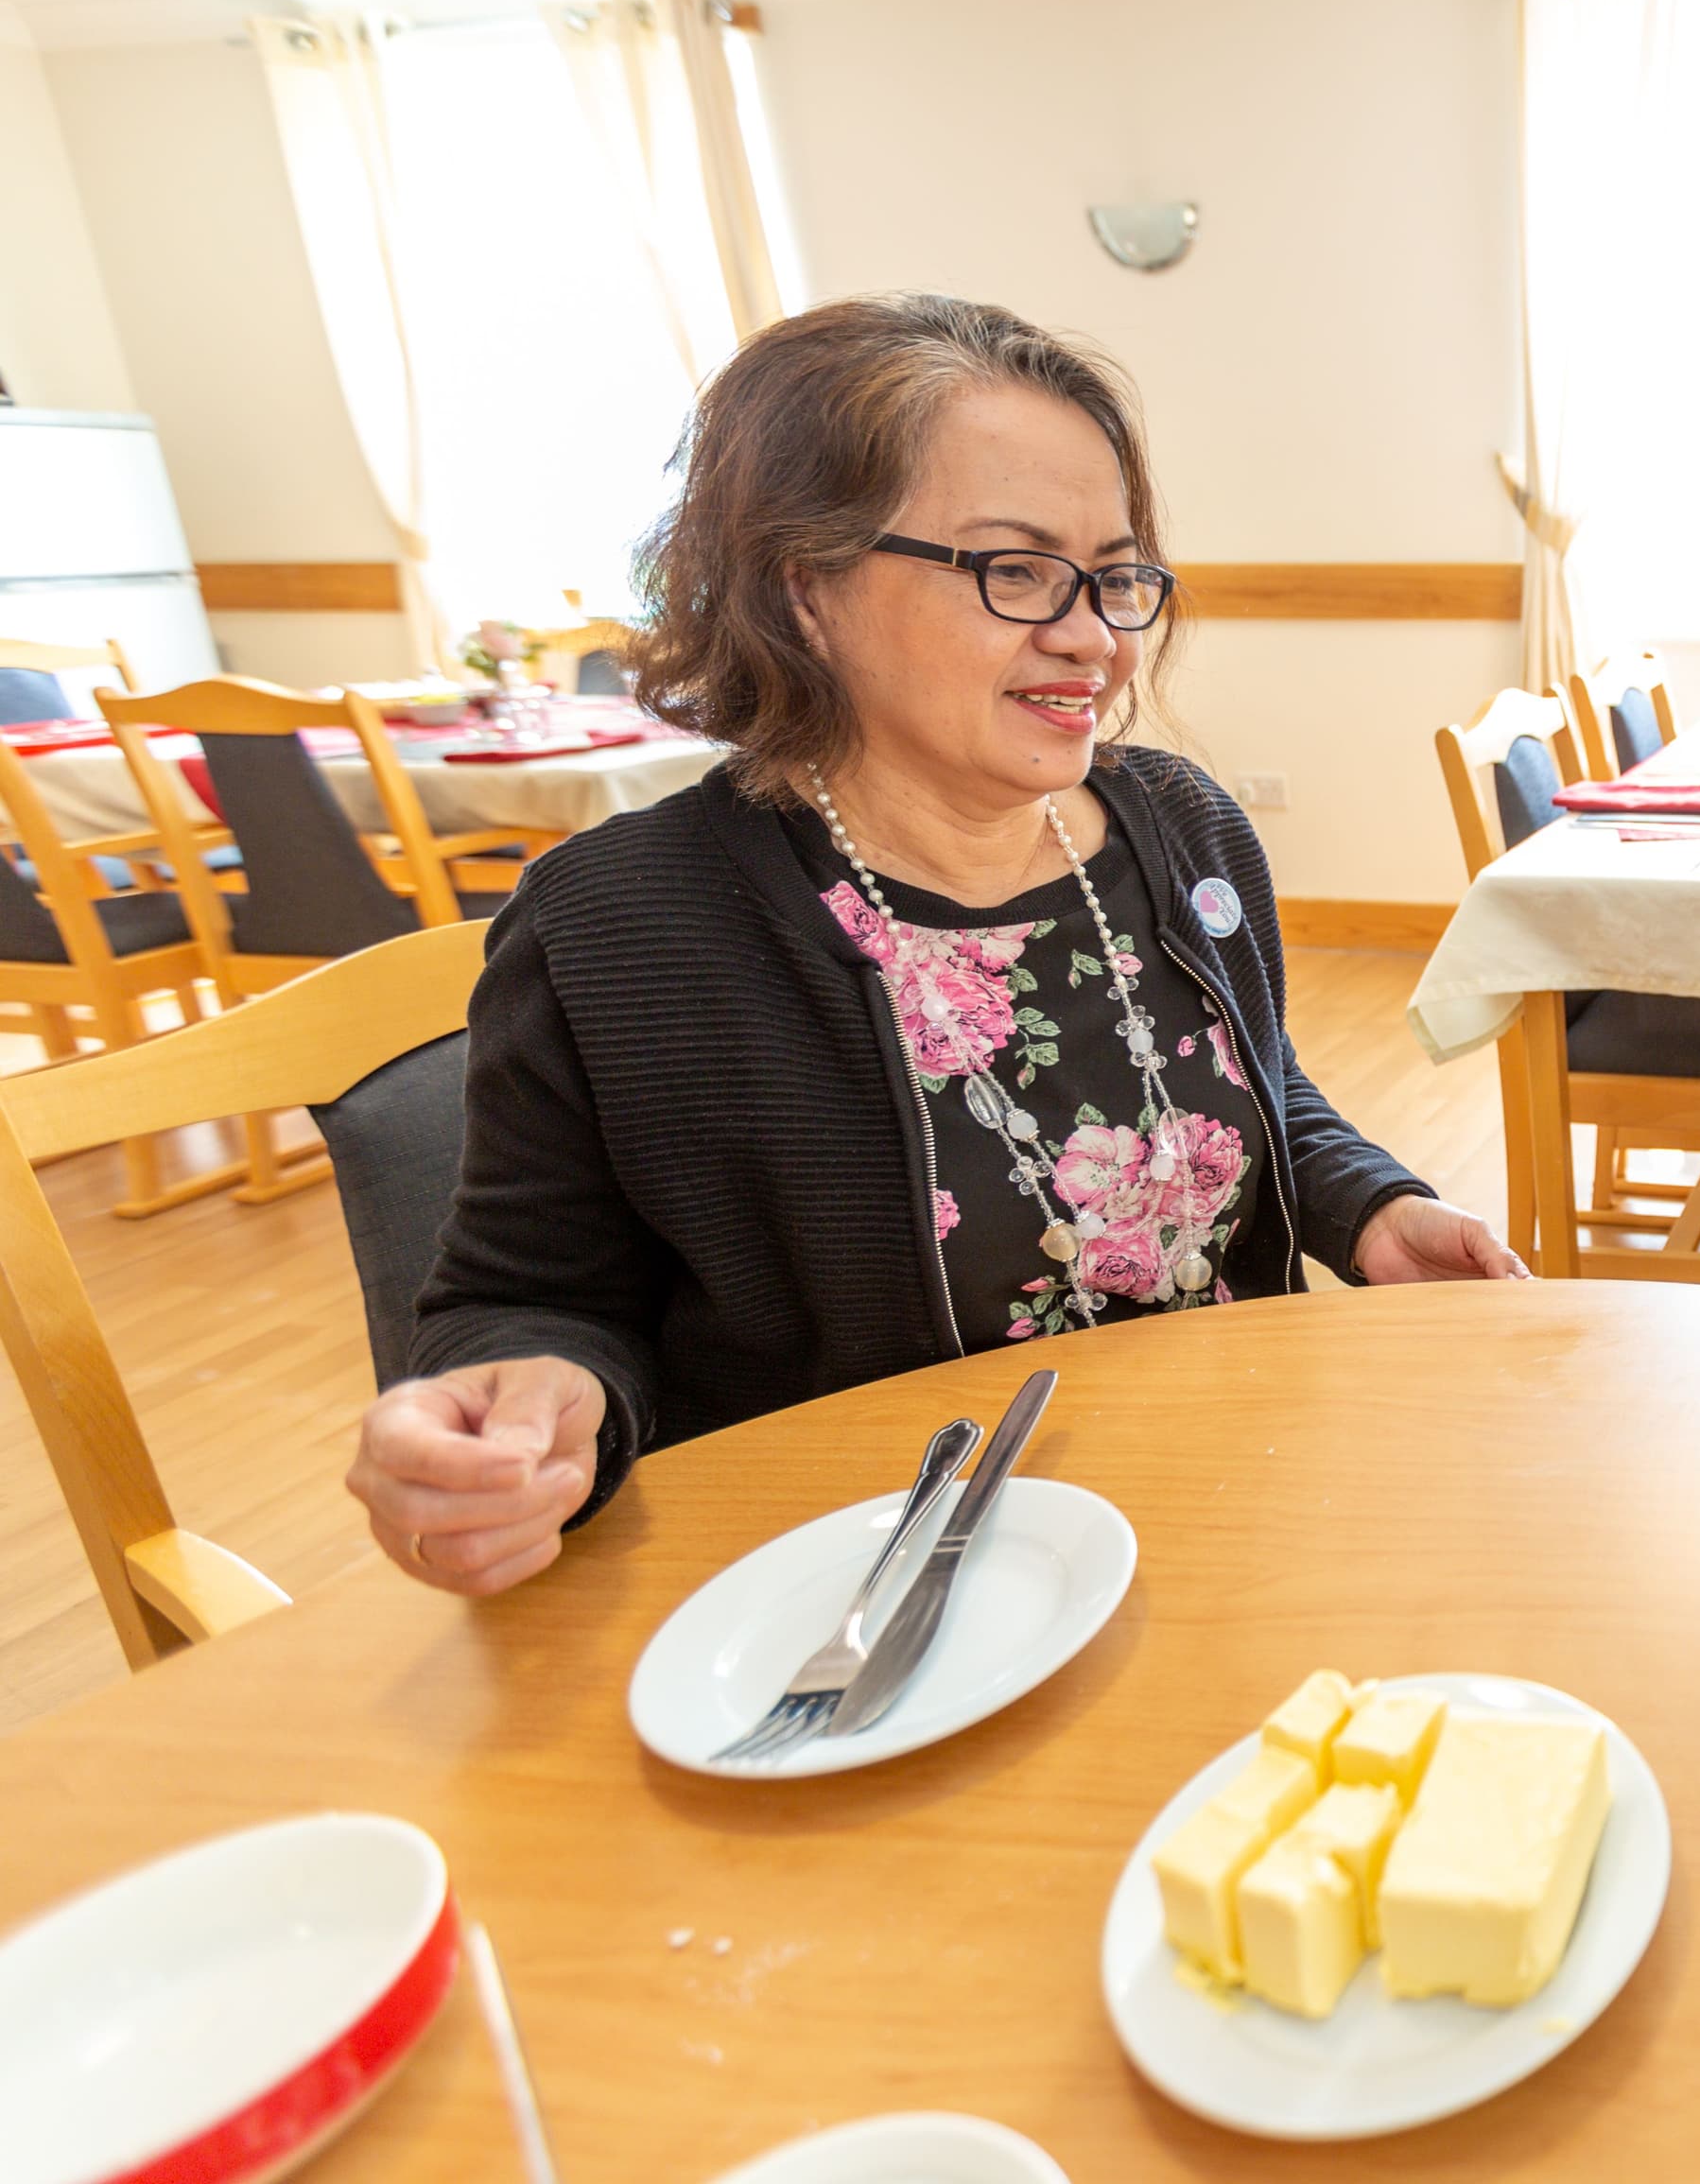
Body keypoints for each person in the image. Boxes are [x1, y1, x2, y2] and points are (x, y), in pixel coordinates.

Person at [347, 294, 1524, 1595]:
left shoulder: (1182, 831)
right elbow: (521, 1298)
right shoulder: (621, 929)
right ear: (805, 591)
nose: (1092, 634)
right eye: (1014, 570)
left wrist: (1370, 1207)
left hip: (1224, 1514)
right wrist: (523, 1409)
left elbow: (1255, 1085)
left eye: (1117, 573)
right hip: (855, 1593)